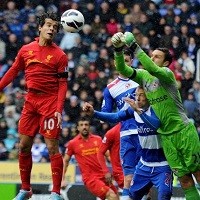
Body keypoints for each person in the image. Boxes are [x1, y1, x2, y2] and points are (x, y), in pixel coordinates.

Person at [111, 31, 200, 199]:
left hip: (183, 132)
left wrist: (135, 47)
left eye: (157, 57)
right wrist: (118, 51)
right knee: (185, 181)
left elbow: (152, 68)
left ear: (165, 63)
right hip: (166, 138)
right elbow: (122, 68)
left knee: (198, 174)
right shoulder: (144, 76)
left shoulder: (167, 74)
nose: (152, 59)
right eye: (151, 56)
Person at [0, 12, 68, 200]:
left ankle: (55, 193)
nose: (51, 29)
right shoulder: (25, 50)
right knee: (23, 146)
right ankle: (25, 189)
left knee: (52, 148)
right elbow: (13, 71)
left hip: (49, 103)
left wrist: (58, 109)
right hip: (30, 102)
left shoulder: (60, 55)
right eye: (48, 25)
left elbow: (63, 84)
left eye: (55, 27)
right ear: (40, 27)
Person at [83, 86, 173, 200]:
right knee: (133, 195)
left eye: (141, 95)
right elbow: (116, 116)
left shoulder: (157, 109)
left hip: (162, 165)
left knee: (165, 195)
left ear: (149, 96)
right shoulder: (133, 111)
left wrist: (138, 112)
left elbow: (155, 125)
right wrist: (94, 113)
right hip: (144, 165)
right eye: (136, 95)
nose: (138, 98)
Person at [101, 49, 140, 199]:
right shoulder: (110, 88)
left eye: (127, 60)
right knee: (129, 176)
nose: (124, 64)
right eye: (120, 61)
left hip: (146, 132)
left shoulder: (140, 79)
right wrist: (95, 113)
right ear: (115, 63)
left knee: (145, 176)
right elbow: (107, 115)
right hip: (127, 135)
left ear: (132, 62)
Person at [61, 117, 119, 200]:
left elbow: (108, 155)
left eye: (86, 125)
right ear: (78, 128)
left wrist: (118, 168)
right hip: (90, 179)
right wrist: (61, 180)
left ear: (89, 126)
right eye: (81, 125)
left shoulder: (98, 139)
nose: (84, 127)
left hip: (105, 176)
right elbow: (65, 161)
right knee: (112, 195)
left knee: (117, 197)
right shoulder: (73, 143)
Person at [97, 123, 124, 190]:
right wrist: (105, 171)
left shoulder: (137, 128)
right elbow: (100, 153)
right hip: (121, 172)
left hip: (136, 170)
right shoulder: (112, 132)